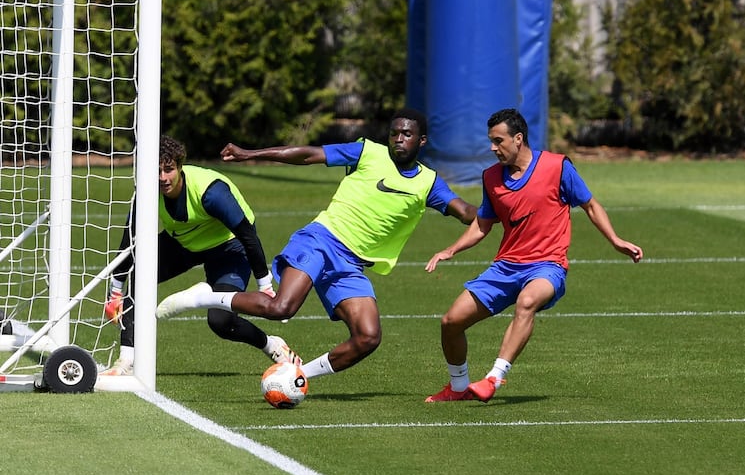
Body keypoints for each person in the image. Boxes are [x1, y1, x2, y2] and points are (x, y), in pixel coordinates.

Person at [156, 108, 477, 383]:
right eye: (394, 133)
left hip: (351, 264)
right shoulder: (368, 152)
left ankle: (299, 376)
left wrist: (497, 211)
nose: (398, 140)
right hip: (321, 241)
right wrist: (251, 154)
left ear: (421, 141)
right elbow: (310, 154)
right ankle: (204, 297)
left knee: (368, 337)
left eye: (406, 135)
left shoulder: (428, 182)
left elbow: (464, 211)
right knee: (282, 308)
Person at [425, 108, 643, 403]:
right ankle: (459, 386)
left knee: (527, 302)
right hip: (505, 268)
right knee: (451, 322)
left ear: (518, 138)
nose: (493, 148)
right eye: (490, 141)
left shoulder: (557, 167)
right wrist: (450, 249)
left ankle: (494, 378)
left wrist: (615, 240)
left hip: (547, 266)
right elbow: (482, 225)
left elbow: (590, 205)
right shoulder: (491, 178)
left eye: (498, 141)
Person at [101, 135, 300, 375]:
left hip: (229, 249)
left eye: (168, 170)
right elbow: (130, 240)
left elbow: (248, 235)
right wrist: (115, 291)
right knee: (139, 276)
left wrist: (265, 287)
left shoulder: (211, 193)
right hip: (184, 242)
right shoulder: (146, 191)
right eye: (157, 171)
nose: (163, 178)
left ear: (180, 166)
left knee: (220, 322)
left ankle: (272, 345)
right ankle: (126, 360)